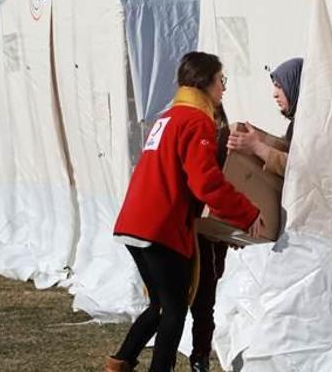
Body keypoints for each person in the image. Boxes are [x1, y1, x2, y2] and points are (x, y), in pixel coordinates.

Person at [107, 52, 264, 372]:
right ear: (205, 83)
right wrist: (247, 214)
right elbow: (206, 183)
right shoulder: (196, 120)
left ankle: (120, 362)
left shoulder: (169, 116)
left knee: (162, 305)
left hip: (135, 222)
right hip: (158, 225)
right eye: (221, 81)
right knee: (175, 309)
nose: (223, 89)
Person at [188, 105, 231, 372]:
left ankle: (200, 356)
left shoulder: (224, 138)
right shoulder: (190, 135)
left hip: (214, 227)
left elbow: (229, 183)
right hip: (191, 227)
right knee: (190, 297)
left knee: (206, 297)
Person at [227, 57, 303, 177]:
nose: (275, 94)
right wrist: (261, 142)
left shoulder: (314, 128)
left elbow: (302, 169)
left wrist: (256, 146)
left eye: (279, 86)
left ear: (295, 85)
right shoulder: (296, 126)